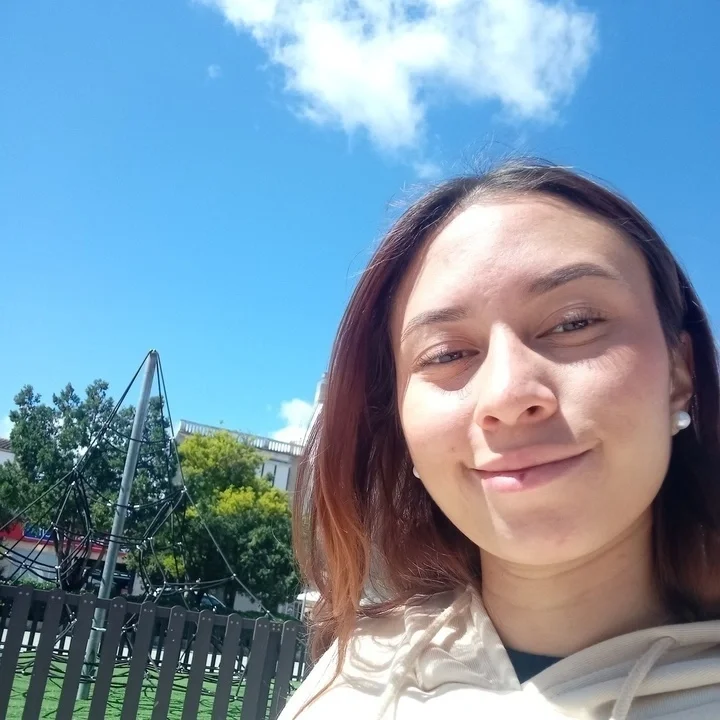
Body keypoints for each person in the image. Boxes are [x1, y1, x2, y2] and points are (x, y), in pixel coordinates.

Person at [280, 160, 720, 720]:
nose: (508, 394)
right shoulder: (347, 685)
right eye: (447, 354)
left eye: (575, 322)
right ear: (402, 429)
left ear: (679, 371)